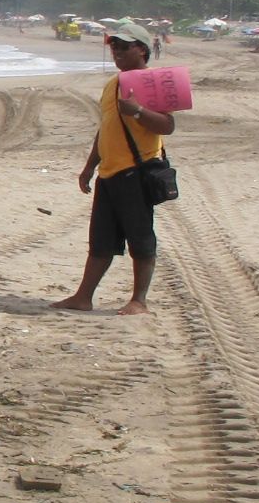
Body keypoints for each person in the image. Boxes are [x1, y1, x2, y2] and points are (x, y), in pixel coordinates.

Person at [54, 19, 177, 317]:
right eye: (114, 46)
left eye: (123, 46)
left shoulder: (154, 81)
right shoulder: (113, 83)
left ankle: (139, 301)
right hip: (109, 173)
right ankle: (83, 296)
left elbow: (168, 125)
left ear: (142, 49)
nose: (116, 51)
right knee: (101, 240)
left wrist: (137, 111)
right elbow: (107, 128)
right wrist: (89, 167)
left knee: (140, 237)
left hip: (137, 171)